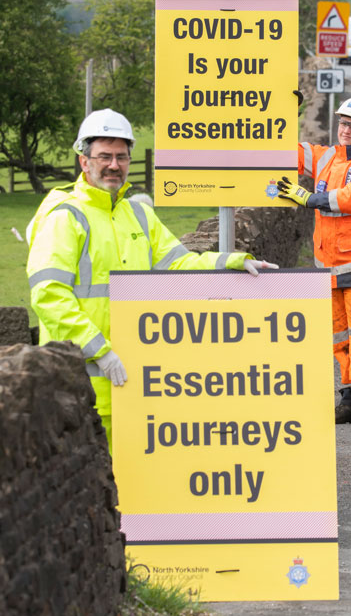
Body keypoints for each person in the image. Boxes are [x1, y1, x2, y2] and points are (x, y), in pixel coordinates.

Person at [26, 108, 278, 448]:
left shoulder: (139, 215)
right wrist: (99, 350)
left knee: (129, 489)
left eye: (121, 157)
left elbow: (178, 264)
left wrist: (231, 261)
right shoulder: (65, 217)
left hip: (137, 384)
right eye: (104, 156)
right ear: (84, 162)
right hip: (76, 384)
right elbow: (48, 293)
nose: (113, 165)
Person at [275, 97, 351, 427]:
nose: (346, 130)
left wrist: (308, 198)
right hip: (329, 269)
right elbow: (287, 153)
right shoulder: (326, 157)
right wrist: (284, 115)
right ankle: (349, 400)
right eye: (343, 123)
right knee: (339, 339)